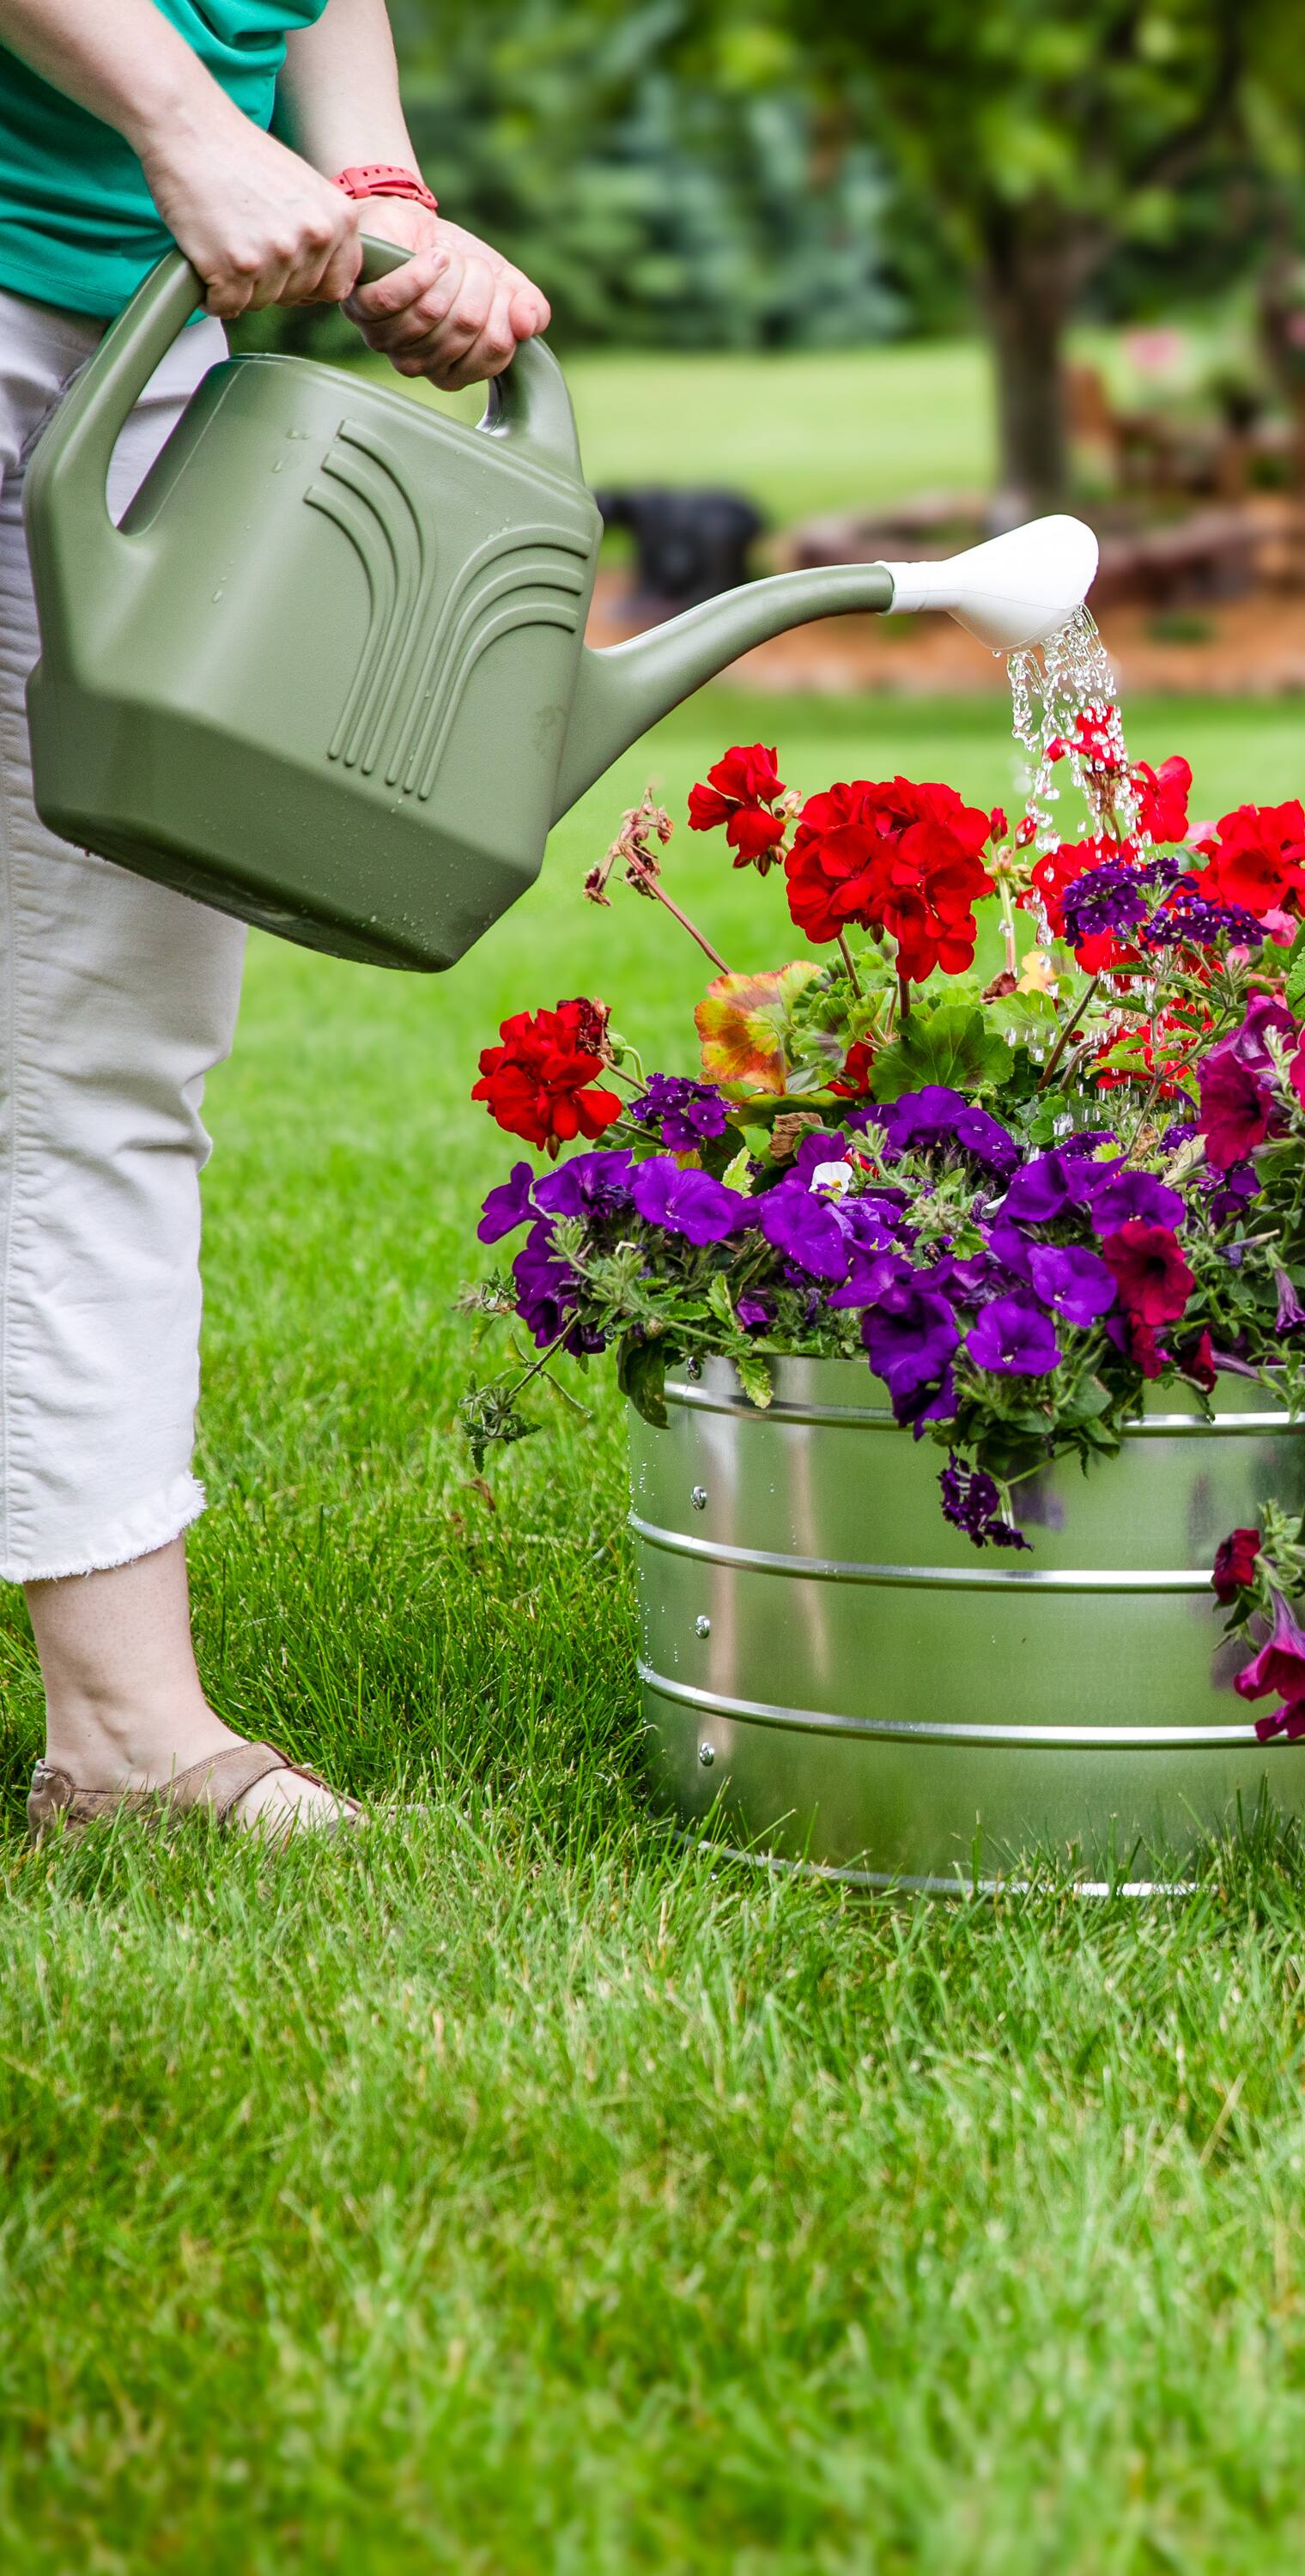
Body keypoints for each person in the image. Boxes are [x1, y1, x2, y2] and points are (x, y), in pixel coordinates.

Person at [0, 2, 548, 1838]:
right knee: (81, 1048)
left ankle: (123, 1728)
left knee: (103, 1029)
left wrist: (369, 175)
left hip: (141, 327)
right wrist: (175, 118)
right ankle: (127, 1737)